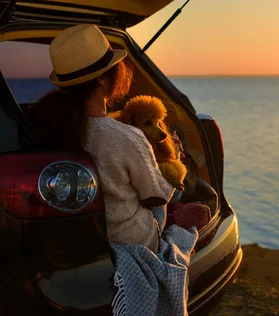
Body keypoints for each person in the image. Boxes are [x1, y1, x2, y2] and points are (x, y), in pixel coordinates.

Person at [33, 24, 174, 252]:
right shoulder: (124, 136)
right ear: (101, 79)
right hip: (125, 238)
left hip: (82, 235)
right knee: (169, 200)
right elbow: (157, 195)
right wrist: (170, 158)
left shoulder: (55, 125)